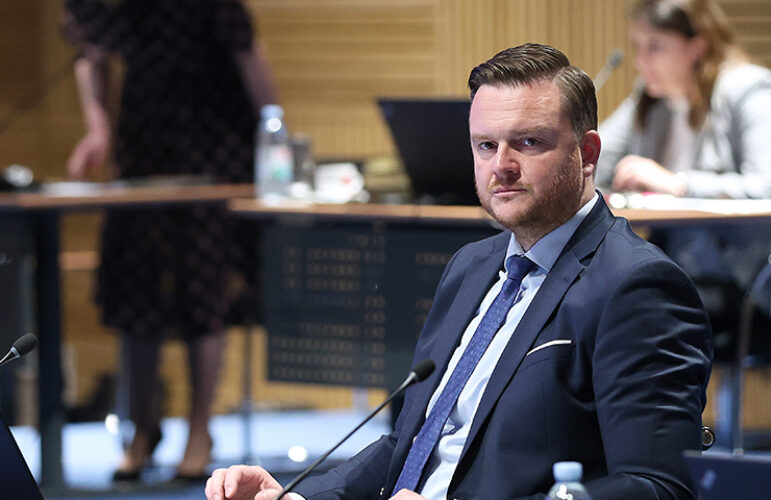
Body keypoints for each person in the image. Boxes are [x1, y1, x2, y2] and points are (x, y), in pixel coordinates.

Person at [205, 43, 712, 500]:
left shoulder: (637, 287)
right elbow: (413, 442)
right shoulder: (471, 265)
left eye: (528, 143)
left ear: (588, 154)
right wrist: (299, 496)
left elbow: (659, 487)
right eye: (485, 145)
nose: (501, 166)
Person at [61, 0, 278, 482]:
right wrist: (98, 128)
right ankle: (142, 430)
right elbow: (92, 56)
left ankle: (200, 431)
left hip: (212, 141)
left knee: (204, 290)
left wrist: (274, 135)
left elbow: (248, 55)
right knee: (136, 292)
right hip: (143, 144)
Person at [596, 0, 771, 199]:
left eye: (655, 47)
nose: (640, 61)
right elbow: (596, 157)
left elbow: (770, 186)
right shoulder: (649, 94)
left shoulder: (747, 86)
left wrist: (678, 184)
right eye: (637, 47)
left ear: (698, 46)